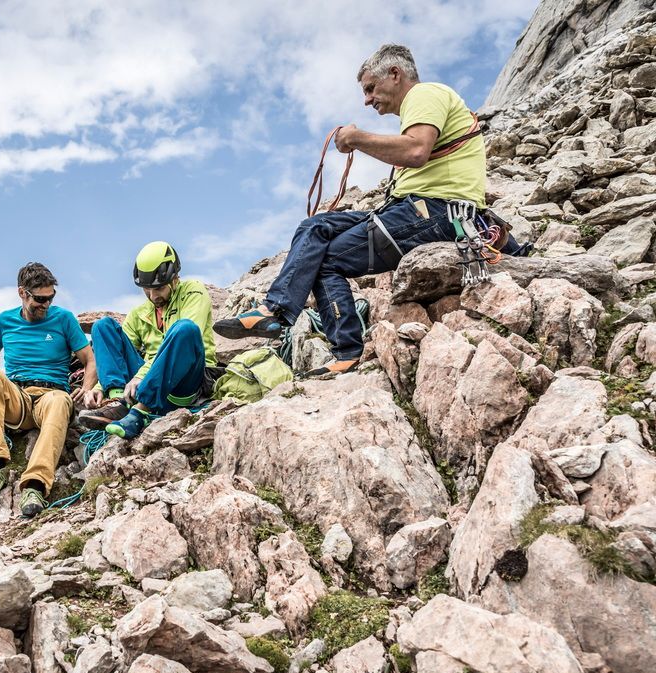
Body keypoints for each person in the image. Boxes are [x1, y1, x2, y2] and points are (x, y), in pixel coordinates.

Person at [214, 43, 522, 375]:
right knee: (314, 227)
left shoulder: (425, 94)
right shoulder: (421, 108)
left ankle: (343, 349)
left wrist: (357, 138)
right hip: (421, 211)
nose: (367, 99)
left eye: (371, 88)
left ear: (395, 74)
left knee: (325, 260)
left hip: (435, 212)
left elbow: (416, 151)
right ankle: (273, 311)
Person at [0, 262, 97, 518]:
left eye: (50, 298)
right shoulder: (4, 321)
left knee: (60, 401)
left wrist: (86, 389)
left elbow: (90, 359)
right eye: (40, 299)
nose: (46, 304)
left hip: (51, 396)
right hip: (17, 397)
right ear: (22, 293)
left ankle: (35, 486)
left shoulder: (63, 319)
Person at [78, 241, 222, 439]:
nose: (153, 296)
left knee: (185, 329)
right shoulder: (140, 313)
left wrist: (141, 377)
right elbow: (116, 354)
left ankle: (139, 413)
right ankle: (117, 402)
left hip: (187, 384)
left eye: (159, 288)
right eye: (147, 289)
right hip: (147, 384)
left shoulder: (193, 292)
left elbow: (184, 339)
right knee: (103, 326)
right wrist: (99, 387)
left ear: (175, 278)